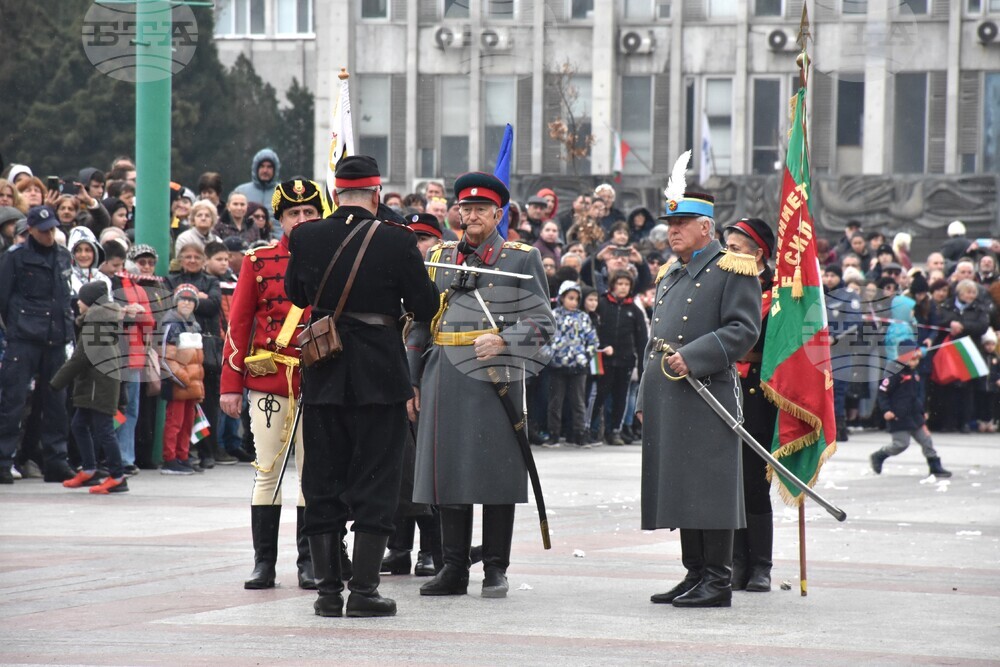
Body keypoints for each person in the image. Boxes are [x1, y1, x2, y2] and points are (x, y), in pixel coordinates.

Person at [285, 156, 439, 618]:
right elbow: (425, 303)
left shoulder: (306, 235)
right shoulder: (396, 239)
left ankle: (328, 592)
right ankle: (365, 592)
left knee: (322, 478)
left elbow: (296, 293)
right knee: (377, 476)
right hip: (379, 374)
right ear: (376, 194)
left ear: (335, 194)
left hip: (325, 371)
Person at [406, 171, 554, 601]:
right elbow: (418, 325)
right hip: (443, 376)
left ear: (497, 213)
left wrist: (506, 339)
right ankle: (453, 567)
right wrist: (412, 382)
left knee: (494, 473)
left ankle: (495, 568)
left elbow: (545, 322)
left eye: (479, 209)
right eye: (464, 208)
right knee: (448, 471)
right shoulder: (439, 256)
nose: (470, 216)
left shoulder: (520, 259)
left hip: (495, 380)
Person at [635, 189, 761, 608]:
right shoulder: (669, 273)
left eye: (681, 224)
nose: (672, 231)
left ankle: (719, 580)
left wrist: (693, 357)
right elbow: (655, 340)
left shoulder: (734, 269)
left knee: (711, 486)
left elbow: (744, 330)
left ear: (705, 228)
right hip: (668, 393)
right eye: (670, 225)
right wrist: (643, 395)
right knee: (681, 485)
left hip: (708, 393)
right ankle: (695, 573)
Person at [221, 179, 326, 591]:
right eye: (293, 214)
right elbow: (239, 323)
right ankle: (263, 563)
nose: (301, 220)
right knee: (267, 471)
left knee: (313, 474)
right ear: (280, 218)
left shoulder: (335, 257)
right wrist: (230, 384)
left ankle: (309, 562)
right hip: (269, 381)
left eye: (309, 213)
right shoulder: (258, 260)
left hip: (319, 378)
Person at [0, 206, 77, 484]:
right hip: (23, 338)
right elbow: (3, 298)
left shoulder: (62, 255)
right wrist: (15, 329)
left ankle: (55, 461)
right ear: (30, 229)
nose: (49, 234)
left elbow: (65, 296)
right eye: (44, 230)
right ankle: (3, 460)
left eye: (52, 229)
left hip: (56, 338)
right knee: (13, 401)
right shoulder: (15, 258)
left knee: (56, 403)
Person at [722, 217, 778, 593]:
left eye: (736, 249)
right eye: (726, 247)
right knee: (729, 481)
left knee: (754, 482)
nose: (728, 255)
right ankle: (736, 561)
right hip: (725, 387)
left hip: (759, 391)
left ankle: (761, 565)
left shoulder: (781, 296)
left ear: (759, 255)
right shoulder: (721, 285)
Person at [51, 282, 130, 494]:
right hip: (95, 384)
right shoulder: (101, 320)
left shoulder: (97, 323)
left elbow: (79, 358)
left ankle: (117, 477)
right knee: (79, 425)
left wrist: (55, 383)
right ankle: (89, 470)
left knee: (104, 430)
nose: (78, 302)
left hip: (99, 385)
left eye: (82, 299)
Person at [871, 348, 952, 478]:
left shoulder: (914, 373)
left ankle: (934, 466)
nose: (914, 363)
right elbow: (883, 393)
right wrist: (886, 410)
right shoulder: (894, 372)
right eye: (912, 359)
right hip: (898, 415)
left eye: (916, 360)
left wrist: (922, 410)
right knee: (900, 444)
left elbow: (917, 395)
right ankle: (879, 456)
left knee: (926, 440)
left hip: (914, 415)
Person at [592, 270, 648, 445]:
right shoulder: (602, 304)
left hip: (625, 360)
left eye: (627, 284)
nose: (623, 288)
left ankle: (615, 430)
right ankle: (592, 429)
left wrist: (642, 368)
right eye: (620, 284)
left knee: (620, 397)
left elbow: (642, 341)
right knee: (599, 395)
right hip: (603, 359)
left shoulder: (635, 311)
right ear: (613, 285)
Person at [546, 281, 600, 447]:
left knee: (578, 402)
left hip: (578, 366)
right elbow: (544, 341)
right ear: (562, 298)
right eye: (570, 298)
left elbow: (593, 340)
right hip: (557, 366)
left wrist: (584, 357)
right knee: (555, 401)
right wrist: (551, 357)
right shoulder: (553, 316)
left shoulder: (583, 317)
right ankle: (554, 434)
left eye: (576, 299)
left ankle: (580, 434)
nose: (574, 302)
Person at [160, 284, 205, 475]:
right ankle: (170, 459)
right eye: (183, 299)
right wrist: (185, 380)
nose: (186, 303)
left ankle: (183, 455)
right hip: (178, 384)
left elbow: (198, 361)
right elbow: (167, 358)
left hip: (192, 385)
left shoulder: (195, 325)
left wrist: (197, 385)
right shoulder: (170, 324)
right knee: (174, 422)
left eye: (190, 300)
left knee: (187, 423)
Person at [233, 148, 281, 226]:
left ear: (275, 170)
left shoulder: (284, 192)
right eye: (262, 166)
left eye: (269, 167)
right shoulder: (240, 192)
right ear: (256, 168)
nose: (265, 170)